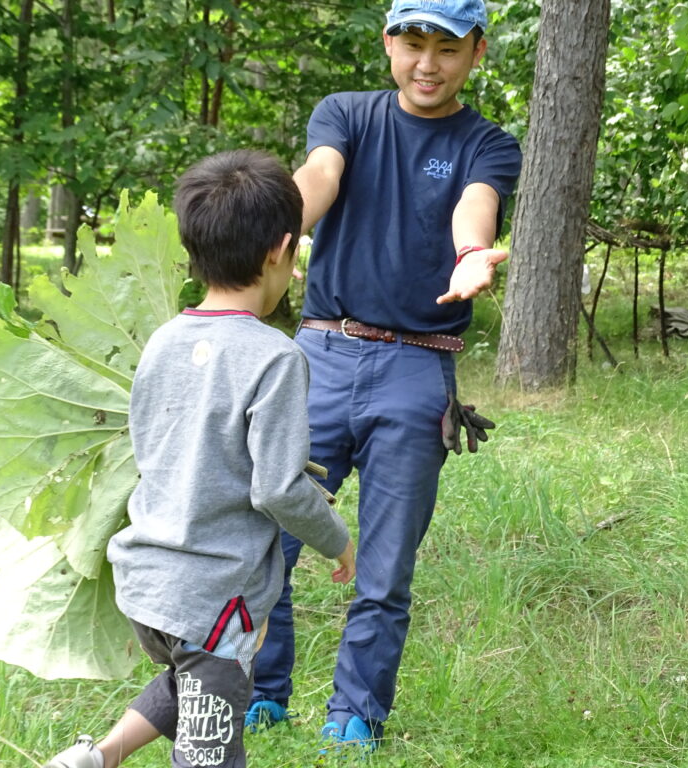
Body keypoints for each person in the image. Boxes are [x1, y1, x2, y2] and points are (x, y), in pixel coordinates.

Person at [244, 0, 523, 753]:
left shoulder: (488, 143)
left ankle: (355, 713)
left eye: (448, 48)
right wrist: (279, 227)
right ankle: (259, 693)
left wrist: (472, 254)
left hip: (418, 368)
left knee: (386, 564)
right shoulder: (346, 113)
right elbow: (320, 174)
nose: (428, 64)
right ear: (389, 44)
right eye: (414, 43)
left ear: (477, 54)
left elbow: (475, 205)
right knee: (268, 540)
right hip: (319, 359)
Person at [43, 149, 356, 768]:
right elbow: (278, 489)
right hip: (215, 596)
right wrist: (338, 541)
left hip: (147, 582)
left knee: (190, 677)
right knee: (209, 728)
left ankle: (97, 757)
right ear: (282, 250)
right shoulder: (276, 357)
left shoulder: (163, 340)